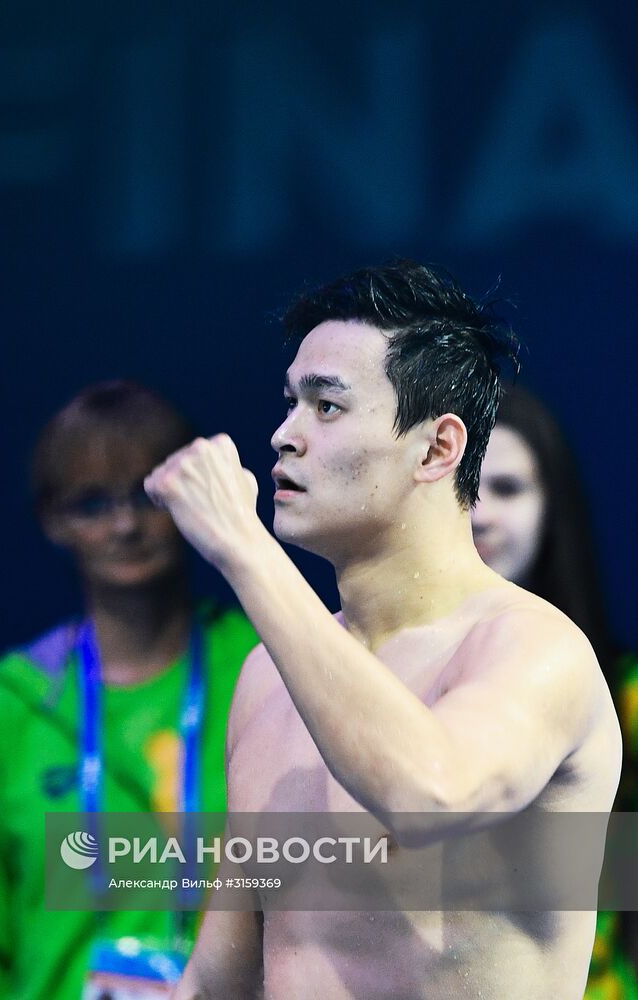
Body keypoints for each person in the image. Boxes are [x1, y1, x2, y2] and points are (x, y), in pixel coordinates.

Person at [142, 260, 623, 1000]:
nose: (282, 436)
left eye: (326, 407)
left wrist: (245, 550)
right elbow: (223, 977)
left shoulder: (533, 649)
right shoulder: (267, 679)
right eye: (289, 403)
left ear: (437, 449)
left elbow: (430, 796)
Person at [0, 381, 258, 1000]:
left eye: (145, 497)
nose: (125, 525)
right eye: (92, 504)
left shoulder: (267, 671)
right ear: (53, 520)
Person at [472, 385, 638, 1000]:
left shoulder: (627, 694)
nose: (479, 512)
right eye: (461, 487)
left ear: (553, 505)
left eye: (508, 488)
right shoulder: (368, 677)